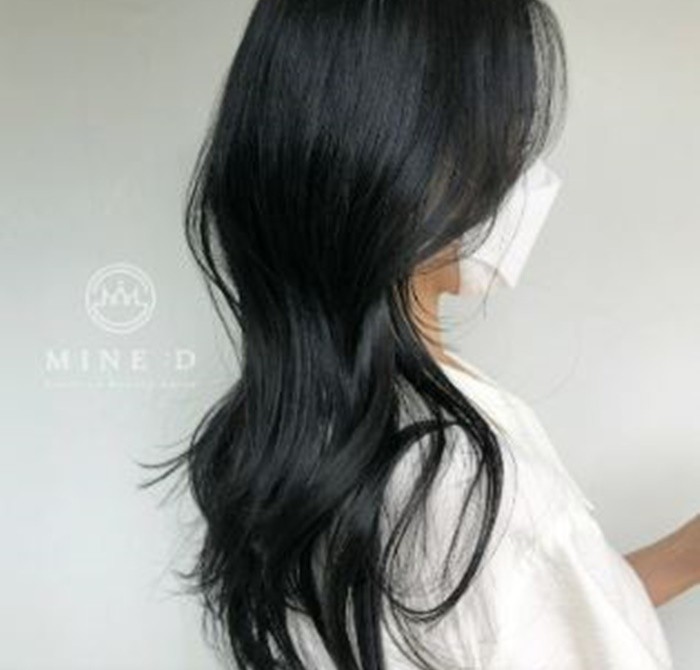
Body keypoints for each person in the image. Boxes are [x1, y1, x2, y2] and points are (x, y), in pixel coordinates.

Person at [142, 0, 699, 667]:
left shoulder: (294, 431)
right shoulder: (470, 481)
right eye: (509, 138)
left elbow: (513, 616)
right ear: (413, 171)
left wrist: (684, 555)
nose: (524, 175)